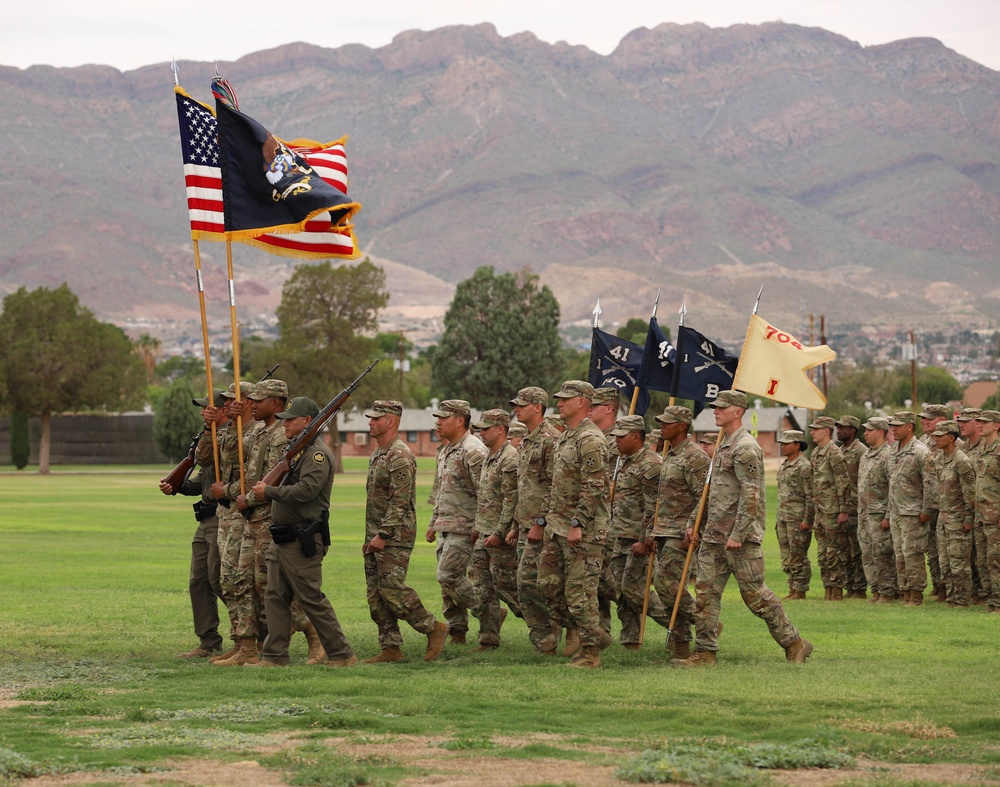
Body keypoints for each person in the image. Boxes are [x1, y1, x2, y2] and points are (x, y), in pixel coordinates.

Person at [672, 390, 812, 667]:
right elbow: (710, 492)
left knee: (756, 597)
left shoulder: (745, 447)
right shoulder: (723, 445)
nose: (715, 411)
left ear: (737, 411)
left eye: (721, 408)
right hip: (713, 536)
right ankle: (705, 652)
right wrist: (693, 524)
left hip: (740, 539)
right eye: (715, 407)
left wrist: (738, 534)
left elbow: (751, 495)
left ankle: (794, 642)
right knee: (704, 595)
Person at [250, 396, 357, 667]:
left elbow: (307, 490)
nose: (285, 424)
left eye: (291, 420)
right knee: (274, 596)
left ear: (308, 422)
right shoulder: (297, 451)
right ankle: (275, 656)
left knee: (311, 598)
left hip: (302, 538)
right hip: (283, 536)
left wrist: (269, 492)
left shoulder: (316, 454)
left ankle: (342, 654)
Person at [362, 400, 448, 663]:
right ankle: (391, 648)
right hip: (375, 533)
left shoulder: (399, 455)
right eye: (371, 418)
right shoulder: (378, 453)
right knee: (376, 593)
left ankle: (433, 628)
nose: (370, 422)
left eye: (377, 418)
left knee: (391, 589)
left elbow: (400, 501)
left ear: (391, 421)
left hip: (393, 536)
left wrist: (383, 535)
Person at [537, 380, 610, 668]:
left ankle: (591, 654)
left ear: (582, 402)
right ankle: (594, 633)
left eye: (566, 399)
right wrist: (544, 520)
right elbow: (556, 485)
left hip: (584, 530)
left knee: (581, 592)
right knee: (547, 584)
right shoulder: (567, 436)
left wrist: (578, 522)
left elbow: (595, 486)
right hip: (556, 526)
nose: (559, 403)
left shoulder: (590, 439)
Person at [158, 388, 227, 658]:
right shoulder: (207, 439)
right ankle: (208, 641)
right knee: (198, 581)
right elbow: (203, 478)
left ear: (222, 411)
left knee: (219, 579)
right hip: (206, 517)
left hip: (224, 517)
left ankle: (252, 633)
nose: (202, 412)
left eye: (208, 408)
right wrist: (178, 486)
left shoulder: (230, 438)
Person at [647, 405, 710, 661]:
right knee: (669, 586)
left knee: (665, 583)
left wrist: (692, 528)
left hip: (681, 531)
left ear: (682, 426)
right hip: (664, 529)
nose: (662, 426)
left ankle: (705, 622)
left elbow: (704, 497)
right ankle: (682, 642)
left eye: (667, 422)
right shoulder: (670, 454)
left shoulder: (695, 457)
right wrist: (653, 528)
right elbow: (663, 498)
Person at [426, 399, 487, 645]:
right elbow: (441, 491)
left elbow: (486, 493)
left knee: (447, 575)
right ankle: (457, 631)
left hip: (466, 526)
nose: (438, 423)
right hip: (446, 525)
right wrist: (433, 523)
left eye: (443, 418)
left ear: (460, 421)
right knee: (447, 588)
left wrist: (480, 526)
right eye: (437, 418)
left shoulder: (473, 450)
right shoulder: (446, 450)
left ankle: (486, 611)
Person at [510, 386, 564, 656]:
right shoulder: (527, 441)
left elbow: (556, 485)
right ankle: (550, 635)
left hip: (542, 528)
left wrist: (540, 523)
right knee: (530, 584)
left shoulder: (550, 440)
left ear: (538, 407)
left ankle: (555, 635)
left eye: (522, 404)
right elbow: (525, 487)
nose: (516, 408)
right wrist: (515, 525)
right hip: (524, 526)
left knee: (533, 583)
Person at [208, 381, 260, 665]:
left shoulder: (257, 431)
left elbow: (247, 467)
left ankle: (251, 647)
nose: (228, 404)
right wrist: (213, 426)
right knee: (227, 580)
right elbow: (214, 458)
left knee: (242, 581)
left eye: (233, 400)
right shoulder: (231, 430)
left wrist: (225, 491)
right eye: (226, 400)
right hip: (225, 515)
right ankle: (241, 642)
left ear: (250, 402)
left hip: (243, 514)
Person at [604, 414, 666, 649]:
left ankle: (685, 620)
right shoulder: (625, 461)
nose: (616, 441)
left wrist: (645, 539)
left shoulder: (651, 464)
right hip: (619, 534)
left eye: (621, 437)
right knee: (621, 591)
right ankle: (631, 639)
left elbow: (654, 507)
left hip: (637, 538)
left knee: (632, 589)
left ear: (636, 437)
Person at [470, 408, 523, 650]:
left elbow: (512, 500)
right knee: (483, 588)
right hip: (484, 531)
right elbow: (486, 498)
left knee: (506, 586)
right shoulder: (490, 457)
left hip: (498, 536)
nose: (481, 432)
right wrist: (477, 527)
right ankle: (488, 639)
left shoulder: (509, 458)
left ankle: (546, 625)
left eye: (485, 428)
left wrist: (500, 532)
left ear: (500, 429)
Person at [887, 411, 936, 607]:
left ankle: (916, 594)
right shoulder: (894, 450)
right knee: (899, 554)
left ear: (909, 427)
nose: (893, 429)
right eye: (892, 426)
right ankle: (905, 591)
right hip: (896, 512)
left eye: (898, 426)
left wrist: (926, 510)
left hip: (913, 513)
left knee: (912, 554)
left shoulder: (921, 452)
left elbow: (930, 484)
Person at [931, 420, 976, 607]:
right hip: (944, 519)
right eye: (935, 436)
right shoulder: (940, 459)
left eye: (939, 436)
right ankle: (952, 598)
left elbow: (971, 493)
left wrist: (969, 518)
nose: (935, 439)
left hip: (958, 520)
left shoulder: (962, 461)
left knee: (959, 562)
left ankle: (962, 599)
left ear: (951, 438)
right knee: (945, 561)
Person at [808, 415, 851, 600]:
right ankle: (827, 588)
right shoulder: (816, 453)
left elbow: (843, 483)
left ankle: (837, 589)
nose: (811, 433)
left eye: (815, 430)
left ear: (826, 431)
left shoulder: (835, 453)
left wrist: (843, 510)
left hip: (833, 510)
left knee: (835, 552)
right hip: (820, 510)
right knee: (822, 553)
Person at [858, 417, 897, 603]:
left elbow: (892, 488)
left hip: (879, 514)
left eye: (869, 430)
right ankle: (875, 590)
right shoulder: (866, 455)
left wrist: (888, 515)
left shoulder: (888, 456)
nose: (865, 433)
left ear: (880, 432)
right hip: (864, 514)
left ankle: (887, 591)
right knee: (868, 554)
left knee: (882, 553)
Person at [958, 408, 991, 604]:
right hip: (966, 510)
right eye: (959, 421)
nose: (961, 424)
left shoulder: (987, 447)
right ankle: (976, 591)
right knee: (970, 555)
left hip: (987, 511)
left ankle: (987, 594)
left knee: (987, 556)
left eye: (966, 421)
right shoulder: (962, 448)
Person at [775, 430, 813, 601]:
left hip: (797, 519)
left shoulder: (804, 467)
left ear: (797, 445)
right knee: (787, 555)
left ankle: (800, 590)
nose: (783, 446)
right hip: (783, 517)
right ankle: (792, 587)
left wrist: (807, 519)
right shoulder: (784, 465)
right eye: (782, 443)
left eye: (786, 443)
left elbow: (810, 495)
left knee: (798, 555)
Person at [918, 404, 950, 601]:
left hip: (946, 503)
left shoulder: (952, 443)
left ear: (942, 419)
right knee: (931, 549)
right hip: (928, 502)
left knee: (946, 549)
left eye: (930, 418)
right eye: (923, 418)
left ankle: (949, 587)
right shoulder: (923, 442)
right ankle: (938, 585)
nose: (924, 421)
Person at [836, 415, 867, 598]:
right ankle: (850, 587)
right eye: (838, 427)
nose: (839, 430)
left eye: (843, 428)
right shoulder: (839, 451)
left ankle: (859, 588)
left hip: (855, 508)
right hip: (842, 507)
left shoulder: (860, 451)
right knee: (844, 551)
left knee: (857, 551)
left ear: (853, 430)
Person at [973, 410, 1000, 613]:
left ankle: (998, 603)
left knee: (996, 560)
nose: (980, 425)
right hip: (980, 516)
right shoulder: (982, 449)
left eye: (985, 422)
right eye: (979, 422)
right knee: (982, 561)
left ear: (996, 425)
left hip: (995, 516)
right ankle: (990, 600)